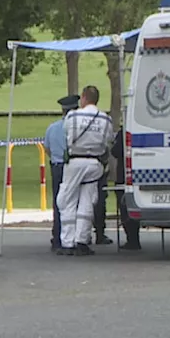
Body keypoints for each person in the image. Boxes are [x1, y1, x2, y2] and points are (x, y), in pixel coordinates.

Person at [57, 85, 115, 256]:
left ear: (83, 98)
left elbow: (66, 133)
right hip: (94, 164)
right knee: (87, 201)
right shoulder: (106, 119)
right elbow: (108, 141)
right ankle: (82, 240)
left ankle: (67, 242)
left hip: (75, 161)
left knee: (67, 200)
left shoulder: (73, 115)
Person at [45, 94, 79, 253]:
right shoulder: (75, 128)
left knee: (58, 202)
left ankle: (57, 237)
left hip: (57, 166)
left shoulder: (52, 127)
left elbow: (47, 148)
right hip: (72, 166)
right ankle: (74, 237)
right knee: (74, 203)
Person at [112, 126, 140, 250]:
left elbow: (115, 151)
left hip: (123, 174)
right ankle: (134, 238)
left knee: (124, 207)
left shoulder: (123, 132)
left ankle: (132, 239)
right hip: (137, 173)